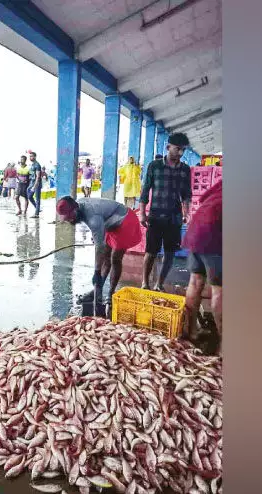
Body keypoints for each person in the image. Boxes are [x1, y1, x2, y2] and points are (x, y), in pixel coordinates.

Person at [57, 196, 142, 317]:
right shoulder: (80, 205)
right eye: (66, 219)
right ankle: (97, 291)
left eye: (70, 217)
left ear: (75, 209)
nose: (69, 220)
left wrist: (97, 272)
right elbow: (101, 247)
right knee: (106, 258)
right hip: (109, 223)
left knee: (115, 258)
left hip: (125, 221)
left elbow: (99, 248)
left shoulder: (93, 219)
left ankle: (110, 295)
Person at [139, 132, 192, 291]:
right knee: (151, 252)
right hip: (155, 216)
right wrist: (142, 213)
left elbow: (186, 194)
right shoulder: (154, 166)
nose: (181, 153)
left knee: (169, 253)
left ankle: (159, 284)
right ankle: (145, 283)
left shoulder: (185, 169)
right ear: (168, 147)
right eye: (178, 149)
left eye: (183, 150)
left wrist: (186, 213)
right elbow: (145, 191)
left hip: (174, 218)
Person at [181, 178, 222, 350]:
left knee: (195, 281)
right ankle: (224, 344)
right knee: (220, 289)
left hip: (196, 229)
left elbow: (203, 198)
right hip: (214, 233)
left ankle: (191, 333)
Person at [27, 151, 43, 217]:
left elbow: (38, 176)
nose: (30, 157)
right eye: (30, 156)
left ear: (35, 157)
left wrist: (35, 186)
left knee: (37, 198)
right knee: (29, 196)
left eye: (32, 156)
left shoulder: (37, 165)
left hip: (37, 183)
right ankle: (37, 208)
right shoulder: (33, 164)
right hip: (32, 182)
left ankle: (36, 214)